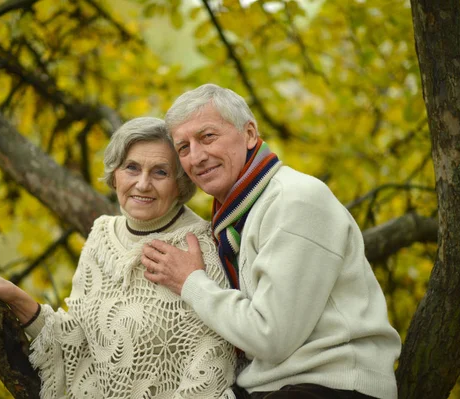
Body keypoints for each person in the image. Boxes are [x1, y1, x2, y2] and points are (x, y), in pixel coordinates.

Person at [141, 84, 401, 399]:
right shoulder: (233, 217)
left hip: (331, 385)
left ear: (250, 133)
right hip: (271, 386)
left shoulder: (295, 199)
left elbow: (271, 336)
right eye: (183, 148)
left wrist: (191, 282)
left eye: (207, 137)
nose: (196, 157)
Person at [0, 117, 237, 399]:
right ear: (115, 175)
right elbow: (79, 343)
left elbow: (212, 368)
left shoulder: (202, 246)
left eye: (160, 172)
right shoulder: (101, 236)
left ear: (180, 183)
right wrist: (16, 298)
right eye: (131, 168)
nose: (143, 184)